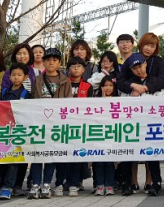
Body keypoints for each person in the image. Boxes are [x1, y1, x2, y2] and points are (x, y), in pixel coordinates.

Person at [117, 33, 164, 197]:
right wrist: (133, 86)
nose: (149, 48)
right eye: (146, 45)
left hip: (151, 119)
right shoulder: (130, 61)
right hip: (131, 120)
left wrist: (144, 88)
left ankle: (153, 183)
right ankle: (129, 183)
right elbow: (120, 81)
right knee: (128, 151)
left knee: (151, 152)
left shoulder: (158, 62)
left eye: (152, 46)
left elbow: (162, 81)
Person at [0, 64, 32, 201]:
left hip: (17, 131)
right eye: (13, 75)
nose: (16, 77)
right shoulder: (3, 92)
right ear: (9, 76)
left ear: (25, 77)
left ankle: (8, 187)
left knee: (13, 161)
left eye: (19, 75)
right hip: (2, 130)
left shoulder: (27, 94)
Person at [29, 47, 72, 199]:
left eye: (54, 60)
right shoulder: (38, 79)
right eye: (48, 60)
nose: (51, 62)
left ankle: (47, 183)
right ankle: (35, 184)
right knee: (37, 154)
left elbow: (68, 102)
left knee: (50, 154)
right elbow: (33, 99)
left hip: (56, 123)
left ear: (59, 62)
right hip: (39, 122)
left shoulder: (65, 81)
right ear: (43, 62)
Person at [53, 57, 91, 197]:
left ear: (84, 69)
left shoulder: (88, 86)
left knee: (76, 156)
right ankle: (59, 183)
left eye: (79, 66)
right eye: (73, 66)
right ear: (68, 69)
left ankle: (74, 184)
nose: (76, 68)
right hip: (62, 124)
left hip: (79, 125)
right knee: (62, 155)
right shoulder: (63, 83)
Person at [93, 76, 118, 196]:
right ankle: (99, 185)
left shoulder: (119, 100)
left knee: (109, 162)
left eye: (110, 85)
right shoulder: (95, 100)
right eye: (105, 85)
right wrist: (102, 100)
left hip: (112, 135)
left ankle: (109, 185)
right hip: (98, 135)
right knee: (99, 162)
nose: (108, 88)